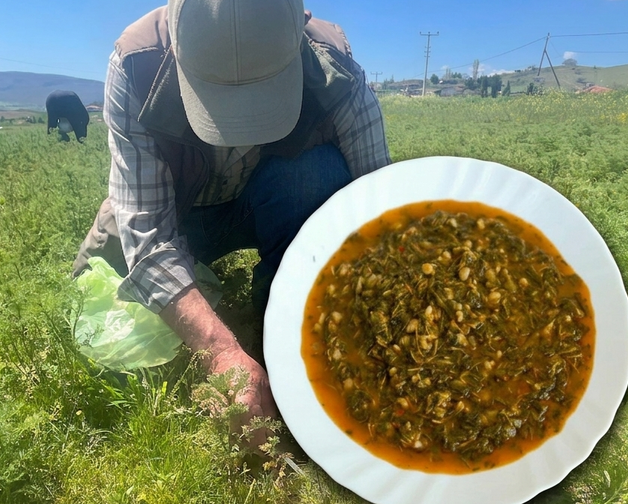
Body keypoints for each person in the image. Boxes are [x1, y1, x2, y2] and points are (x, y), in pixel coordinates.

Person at [73, 0, 391, 448]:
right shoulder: (137, 63)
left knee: (317, 175)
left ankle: (284, 327)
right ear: (177, 47)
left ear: (299, 30)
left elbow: (381, 201)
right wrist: (219, 351)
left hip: (265, 199)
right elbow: (148, 233)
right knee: (97, 293)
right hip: (178, 208)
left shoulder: (330, 60)